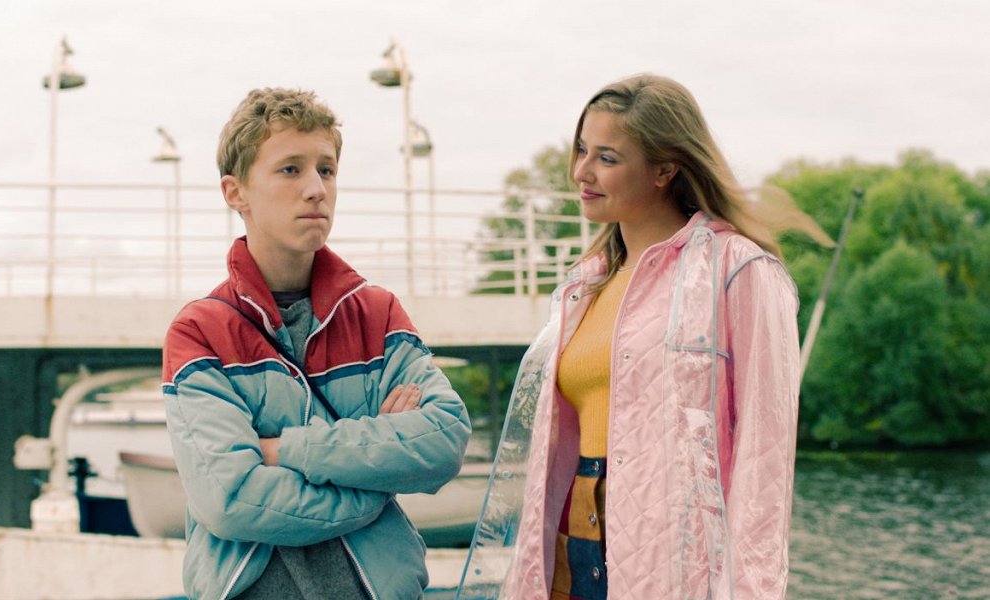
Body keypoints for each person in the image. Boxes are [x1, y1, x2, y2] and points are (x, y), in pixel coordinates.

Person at [459, 74, 828, 599]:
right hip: (570, 545)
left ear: (664, 169)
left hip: (673, 564)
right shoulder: (583, 285)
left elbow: (764, 462)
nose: (581, 172)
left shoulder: (738, 271)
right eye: (582, 150)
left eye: (607, 158)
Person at [162, 87, 471, 600]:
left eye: (326, 170)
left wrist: (284, 450)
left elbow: (443, 440)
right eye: (290, 169)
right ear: (235, 192)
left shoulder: (377, 314)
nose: (315, 189)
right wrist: (376, 480)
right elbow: (230, 498)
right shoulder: (200, 332)